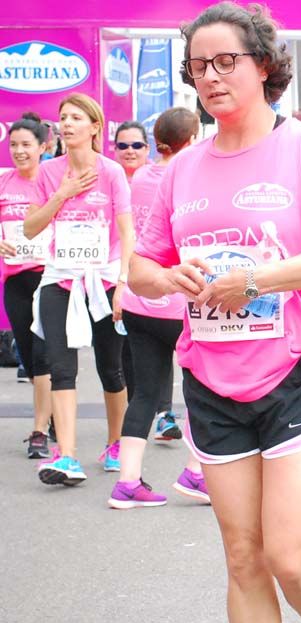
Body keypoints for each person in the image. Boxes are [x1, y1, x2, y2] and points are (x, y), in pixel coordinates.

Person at [128, 3, 301, 623]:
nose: (210, 76)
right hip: (211, 376)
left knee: (287, 555)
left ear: (263, 65)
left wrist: (255, 281)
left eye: (225, 61)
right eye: (198, 66)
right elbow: (140, 268)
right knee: (242, 555)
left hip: (298, 369)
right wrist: (168, 276)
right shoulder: (181, 169)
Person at [24, 93, 134, 486]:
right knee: (60, 367)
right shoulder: (49, 172)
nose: (67, 124)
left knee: (111, 367)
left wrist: (122, 284)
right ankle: (68, 456)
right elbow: (30, 228)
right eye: (63, 118)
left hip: (104, 279)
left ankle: (116, 443)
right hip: (60, 278)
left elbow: (127, 232)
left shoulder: (112, 172)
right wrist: (62, 195)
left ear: (94, 127)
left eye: (75, 118)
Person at [110, 107, 209, 509]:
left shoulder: (140, 178)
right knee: (205, 387)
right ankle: (196, 472)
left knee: (145, 393)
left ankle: (127, 482)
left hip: (140, 299)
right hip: (179, 299)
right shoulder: (190, 177)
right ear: (193, 139)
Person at [113, 119, 181, 441]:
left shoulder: (147, 177)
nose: (129, 151)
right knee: (133, 362)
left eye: (136, 145)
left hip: (145, 282)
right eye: (122, 146)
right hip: (126, 277)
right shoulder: (117, 179)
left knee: (152, 364)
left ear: (149, 147)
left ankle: (163, 415)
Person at [0, 112, 54, 458]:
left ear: (42, 147)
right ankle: (52, 414)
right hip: (16, 281)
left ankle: (39, 431)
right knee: (31, 362)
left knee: (44, 356)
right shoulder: (3, 182)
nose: (19, 151)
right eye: (14, 145)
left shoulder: (53, 181)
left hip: (49, 280)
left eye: (26, 145)